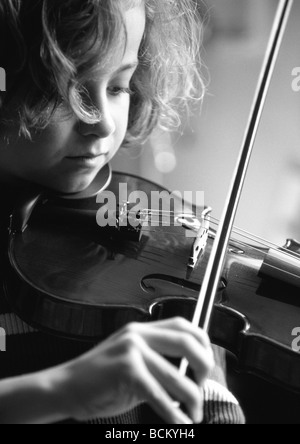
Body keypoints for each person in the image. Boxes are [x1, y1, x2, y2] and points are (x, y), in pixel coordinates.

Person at [0, 0, 245, 424]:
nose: (105, 124)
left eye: (117, 87)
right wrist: (60, 390)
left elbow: (210, 407)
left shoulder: (164, 268)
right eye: (67, 91)